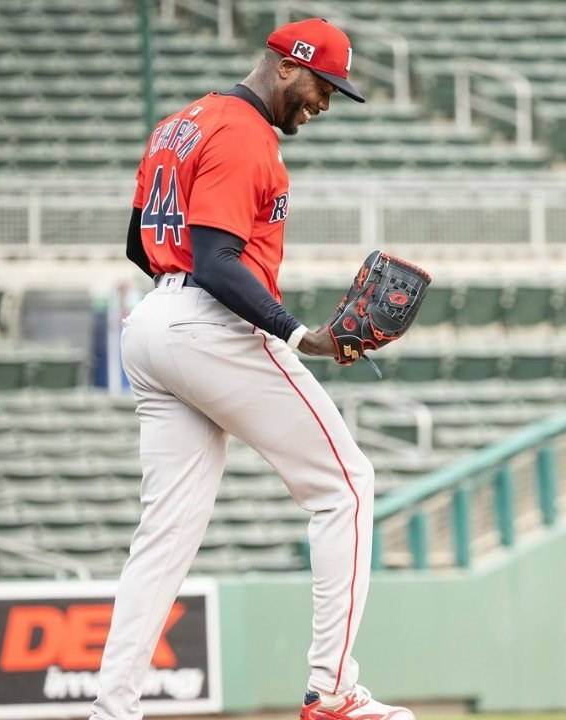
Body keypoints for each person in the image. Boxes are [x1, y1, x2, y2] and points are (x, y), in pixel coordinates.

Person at [90, 18, 414, 720]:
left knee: (163, 536)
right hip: (208, 321)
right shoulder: (243, 133)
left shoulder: (182, 122)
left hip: (152, 324)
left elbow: (137, 245)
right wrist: (299, 334)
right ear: (287, 66)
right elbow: (215, 262)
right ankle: (332, 693)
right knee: (347, 487)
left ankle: (111, 710)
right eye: (324, 86)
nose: (326, 103)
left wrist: (179, 310)